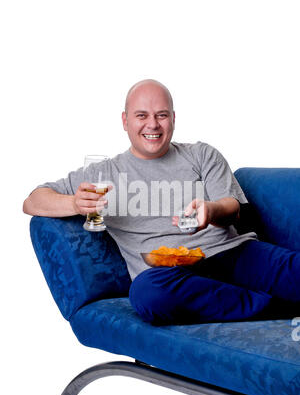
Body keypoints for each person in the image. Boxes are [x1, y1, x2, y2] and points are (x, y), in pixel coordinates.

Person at [23, 79, 300, 325]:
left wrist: (211, 210)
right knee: (147, 294)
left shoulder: (201, 154)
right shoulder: (102, 174)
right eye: (141, 115)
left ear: (173, 119)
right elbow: (32, 200)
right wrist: (74, 204)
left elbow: (233, 207)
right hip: (170, 276)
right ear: (125, 121)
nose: (152, 124)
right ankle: (274, 306)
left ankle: (264, 300)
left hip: (231, 253)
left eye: (162, 115)